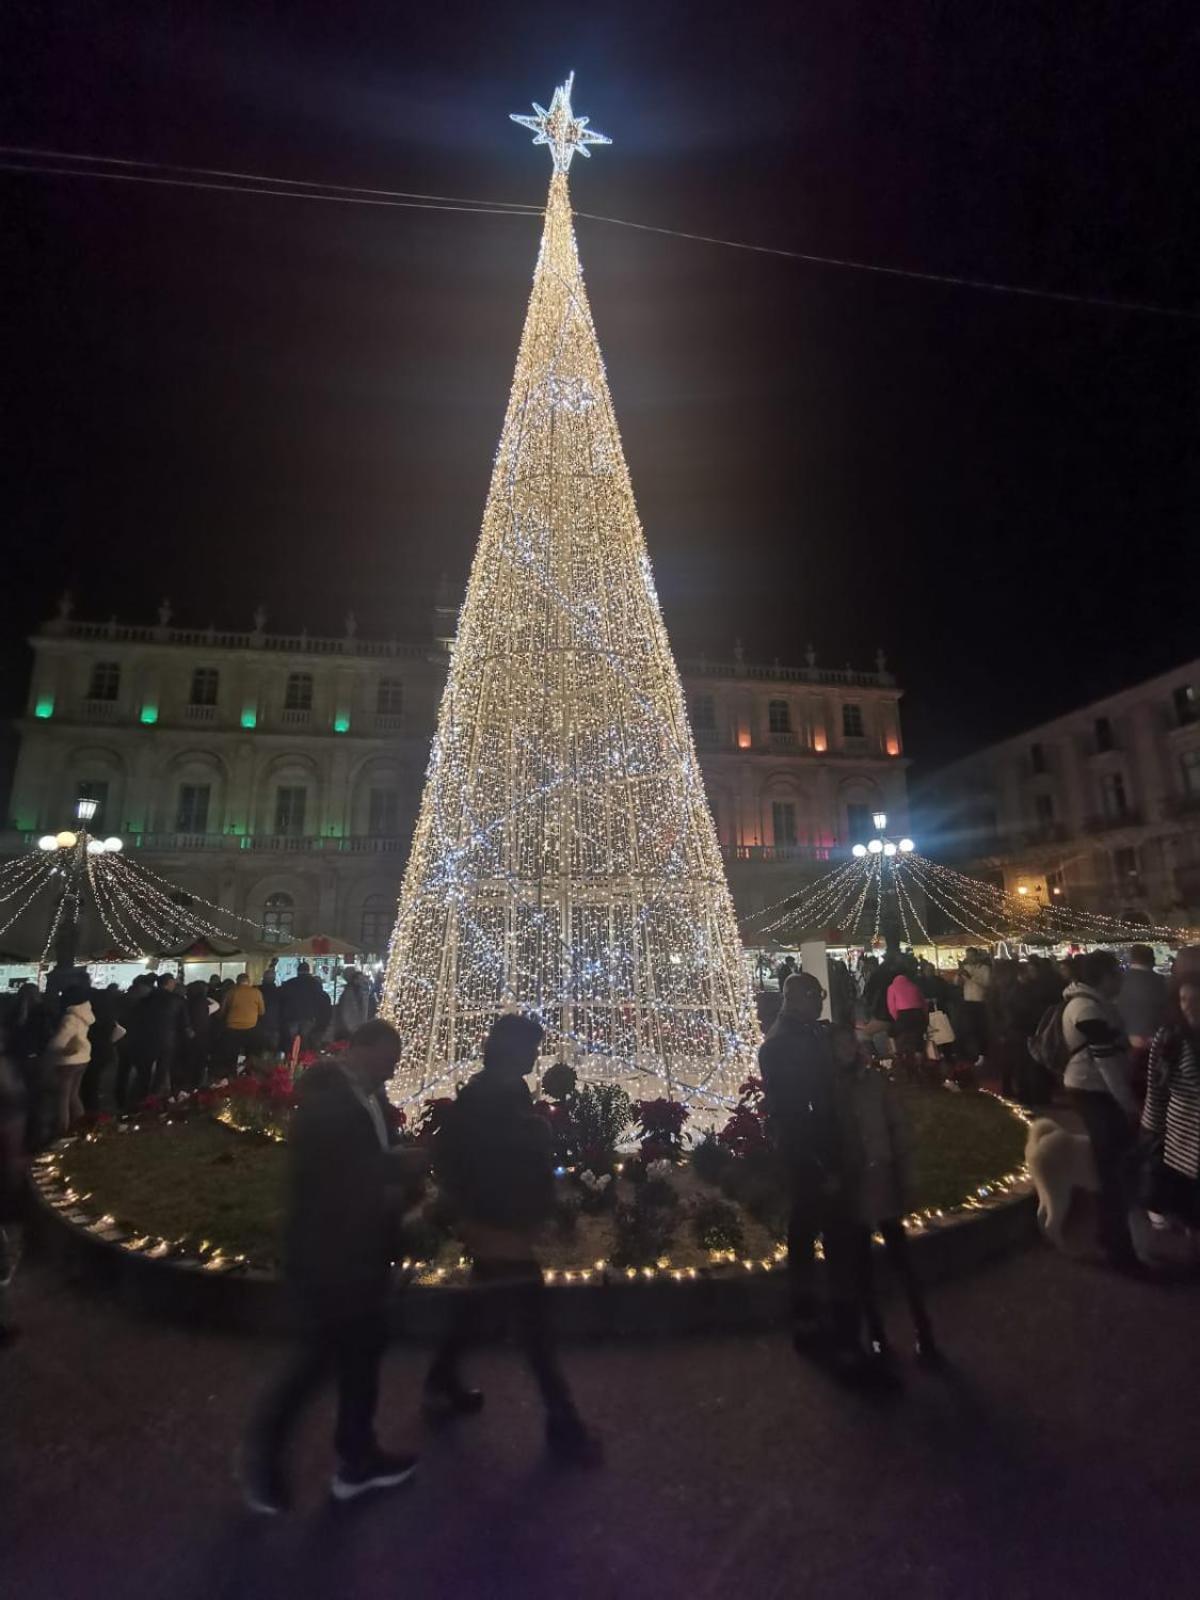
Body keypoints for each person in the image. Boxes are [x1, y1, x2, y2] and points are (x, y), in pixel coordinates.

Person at [243, 1019, 422, 1512]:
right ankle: (267, 1464)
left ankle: (357, 1457)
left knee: (359, 1359)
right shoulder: (332, 1105)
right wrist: (398, 1172)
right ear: (363, 1050)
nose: (394, 1067)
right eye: (389, 1057)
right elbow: (340, 1177)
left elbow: (360, 1161)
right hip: (336, 1255)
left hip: (354, 1252)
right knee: (319, 1362)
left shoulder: (359, 1096)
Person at [425, 1013, 601, 1463]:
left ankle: (441, 1378)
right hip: (497, 1222)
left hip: (501, 1221)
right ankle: (563, 1423)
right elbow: (476, 1158)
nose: (535, 1055)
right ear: (511, 1048)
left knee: (479, 1305)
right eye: (530, 1046)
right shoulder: (489, 1095)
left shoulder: (506, 1090)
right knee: (535, 1328)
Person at [758, 972, 860, 1370]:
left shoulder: (807, 1034)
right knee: (812, 1232)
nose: (820, 1001)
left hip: (820, 1150)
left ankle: (822, 1316)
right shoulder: (782, 1044)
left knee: (815, 1233)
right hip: (809, 1156)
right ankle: (816, 1320)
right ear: (795, 997)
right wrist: (822, 1161)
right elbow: (794, 1112)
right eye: (815, 995)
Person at [830, 1025, 939, 1366]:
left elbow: (898, 1127)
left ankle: (924, 1330)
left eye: (849, 1041)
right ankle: (877, 1336)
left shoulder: (873, 1081)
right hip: (854, 1185)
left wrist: (906, 1175)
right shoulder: (828, 1089)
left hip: (882, 1179)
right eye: (839, 1045)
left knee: (901, 1259)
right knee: (862, 1266)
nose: (846, 1049)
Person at [1061, 950, 1141, 1273]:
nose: (1121, 979)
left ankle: (1109, 1236)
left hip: (1092, 1087)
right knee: (1113, 1168)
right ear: (1104, 977)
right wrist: (1128, 1105)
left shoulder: (1090, 1003)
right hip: (1093, 1089)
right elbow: (1107, 1064)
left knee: (1110, 1165)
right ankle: (1118, 1247)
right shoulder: (1087, 1008)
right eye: (1116, 973)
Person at [1138, 977, 1200, 1232]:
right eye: (1184, 999)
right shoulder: (1170, 1037)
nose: (1189, 1006)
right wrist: (1152, 1125)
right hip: (1182, 1129)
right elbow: (1156, 1085)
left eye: (1196, 1000)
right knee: (1183, 1188)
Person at [119, 973, 188, 1107]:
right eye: (173, 982)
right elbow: (184, 1024)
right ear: (169, 983)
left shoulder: (145, 999)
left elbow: (136, 1019)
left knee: (143, 1073)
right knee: (161, 1072)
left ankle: (139, 1100)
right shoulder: (177, 999)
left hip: (145, 1039)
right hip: (167, 1039)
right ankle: (154, 1101)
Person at [43, 987, 95, 1135]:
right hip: (83, 1058)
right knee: (74, 1095)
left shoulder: (70, 1017)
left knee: (62, 1099)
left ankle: (62, 1131)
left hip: (68, 1061)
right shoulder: (85, 1013)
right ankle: (82, 1127)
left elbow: (59, 1041)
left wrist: (51, 1049)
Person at [82, 983, 124, 1114]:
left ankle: (90, 1114)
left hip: (91, 1053)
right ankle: (97, 1113)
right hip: (105, 1052)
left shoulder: (89, 1017)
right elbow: (121, 1031)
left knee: (89, 1086)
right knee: (96, 1085)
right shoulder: (109, 1015)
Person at [279, 961, 332, 1056]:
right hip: (309, 1016)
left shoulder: (290, 983)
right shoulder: (315, 984)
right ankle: (303, 1059)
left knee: (292, 1040)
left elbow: (282, 999)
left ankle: (291, 1060)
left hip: (292, 1017)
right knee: (305, 1039)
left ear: (297, 971)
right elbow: (320, 1000)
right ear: (309, 970)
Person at [218, 973, 265, 1073]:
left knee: (231, 1055)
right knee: (250, 1054)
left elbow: (222, 1011)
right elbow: (262, 1011)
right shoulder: (256, 992)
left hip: (232, 1028)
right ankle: (248, 1076)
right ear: (248, 981)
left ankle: (231, 1076)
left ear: (237, 981)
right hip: (251, 1027)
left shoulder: (230, 992)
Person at [886, 959, 928, 1060]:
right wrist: (925, 1018)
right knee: (919, 1038)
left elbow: (891, 1007)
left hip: (903, 1015)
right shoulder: (914, 986)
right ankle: (920, 1061)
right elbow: (924, 1004)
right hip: (918, 1014)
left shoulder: (892, 987)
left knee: (891, 1032)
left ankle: (896, 1054)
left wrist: (898, 1019)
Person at [959, 949, 992, 1062]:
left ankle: (983, 1054)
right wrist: (959, 976)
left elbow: (987, 984)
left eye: (972, 956)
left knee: (980, 1029)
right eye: (968, 956)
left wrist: (971, 977)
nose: (969, 958)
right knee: (968, 1029)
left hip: (980, 1002)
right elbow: (957, 983)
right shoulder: (966, 968)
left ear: (977, 956)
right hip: (967, 1001)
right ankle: (972, 1053)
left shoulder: (984, 968)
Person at [182, 979, 215, 1089]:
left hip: (188, 1036)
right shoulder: (203, 1002)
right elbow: (216, 1006)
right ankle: (197, 1086)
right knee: (200, 1062)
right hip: (201, 1035)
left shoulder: (187, 1002)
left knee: (189, 1061)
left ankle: (188, 1085)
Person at [334, 967, 374, 1041]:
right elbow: (348, 1012)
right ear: (354, 980)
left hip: (357, 1028)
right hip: (354, 1029)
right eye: (360, 979)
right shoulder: (351, 993)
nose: (363, 981)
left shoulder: (358, 992)